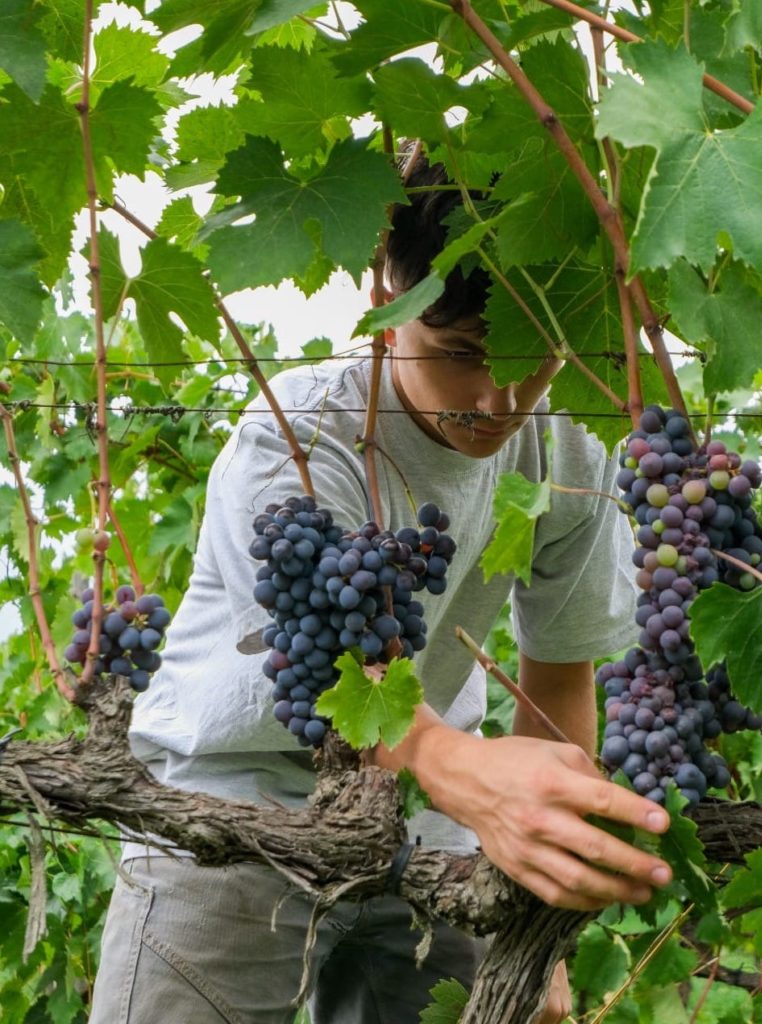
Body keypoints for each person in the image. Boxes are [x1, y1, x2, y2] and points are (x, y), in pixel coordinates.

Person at [89, 151, 672, 1024]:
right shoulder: (295, 437)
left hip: (430, 824)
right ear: (383, 306)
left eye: (532, 357)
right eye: (461, 354)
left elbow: (558, 676)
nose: (498, 396)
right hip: (227, 813)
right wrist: (463, 771)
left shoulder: (573, 449)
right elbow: (337, 677)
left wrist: (543, 911)